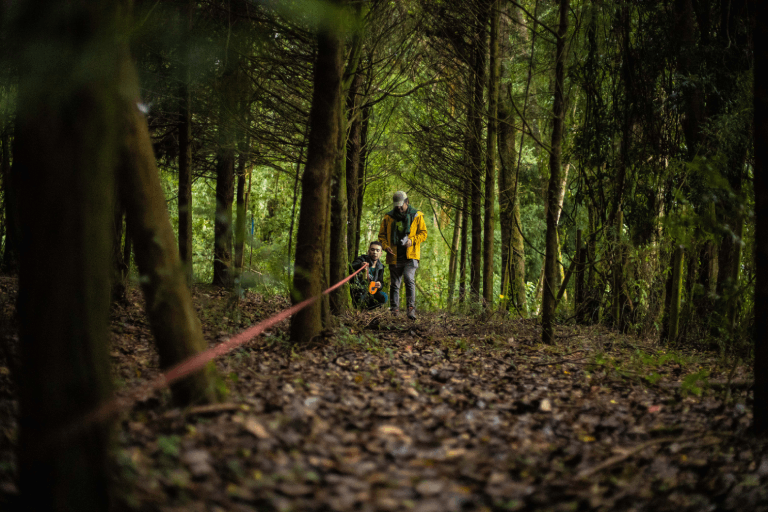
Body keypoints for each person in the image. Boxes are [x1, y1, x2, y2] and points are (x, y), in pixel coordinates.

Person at [378, 190, 428, 320]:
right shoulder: (388, 217)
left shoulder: (416, 215)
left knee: (408, 278)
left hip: (411, 255)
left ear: (407, 202)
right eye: (397, 205)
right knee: (395, 283)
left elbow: (423, 233)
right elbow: (381, 235)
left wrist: (412, 241)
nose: (399, 208)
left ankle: (411, 309)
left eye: (401, 205)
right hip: (394, 255)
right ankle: (394, 310)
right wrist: (385, 246)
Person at [350, 241, 388, 310]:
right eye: (372, 250)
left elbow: (381, 282)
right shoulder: (362, 259)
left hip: (371, 292)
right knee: (362, 293)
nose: (375, 252)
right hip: (359, 290)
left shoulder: (380, 267)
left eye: (377, 250)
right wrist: (360, 265)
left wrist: (379, 285)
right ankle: (358, 308)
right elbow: (351, 266)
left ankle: (367, 309)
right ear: (369, 251)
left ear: (381, 253)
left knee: (384, 296)